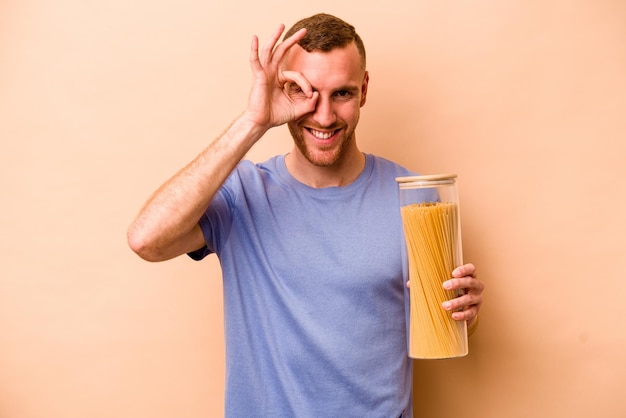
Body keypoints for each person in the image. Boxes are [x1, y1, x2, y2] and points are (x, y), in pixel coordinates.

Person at [127, 13, 484, 418]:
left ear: (364, 90)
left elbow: (442, 322)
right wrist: (253, 121)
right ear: (282, 89)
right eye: (307, 93)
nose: (324, 116)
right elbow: (146, 240)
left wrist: (464, 313)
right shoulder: (243, 194)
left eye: (342, 94)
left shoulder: (414, 196)